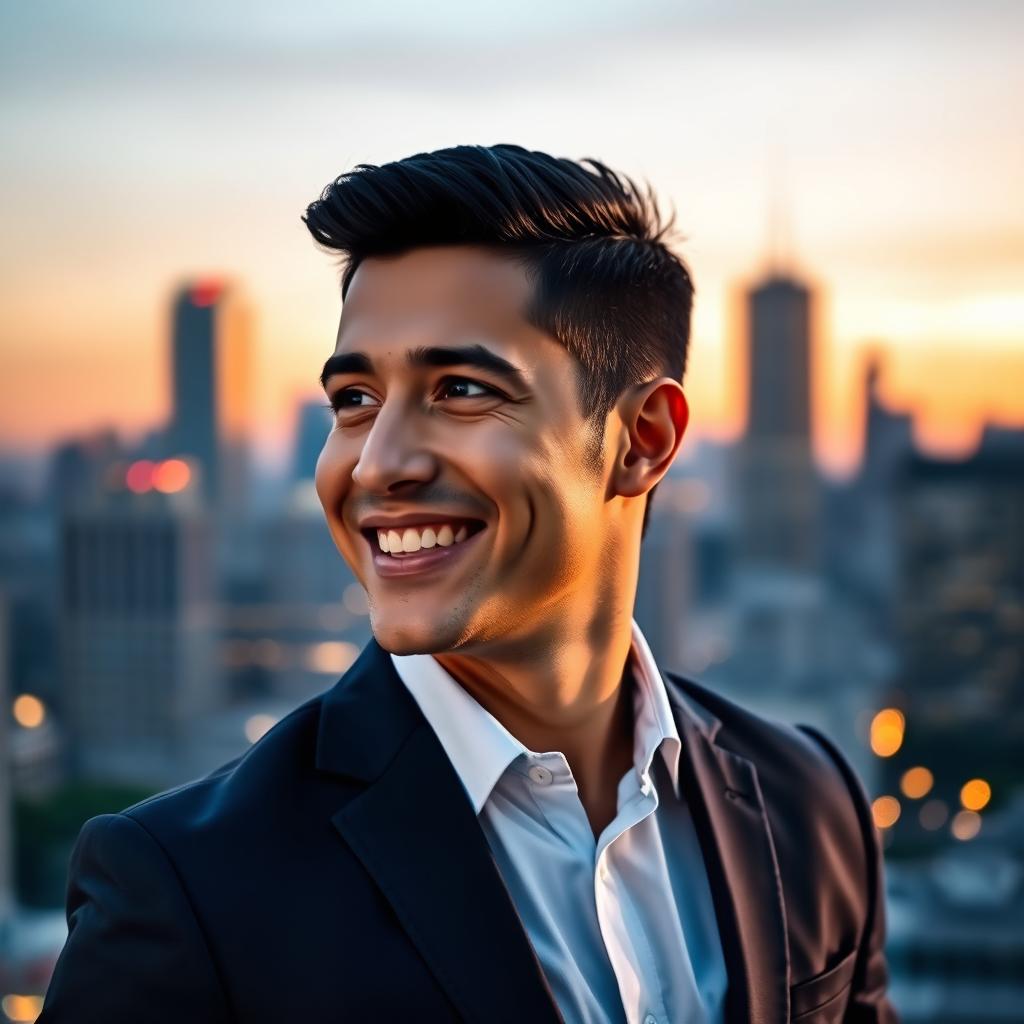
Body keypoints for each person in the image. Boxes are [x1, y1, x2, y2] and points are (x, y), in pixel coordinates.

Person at [40, 144, 898, 1023]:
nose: (377, 466)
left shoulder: (811, 804)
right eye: (354, 401)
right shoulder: (191, 890)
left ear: (643, 438)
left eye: (458, 389)